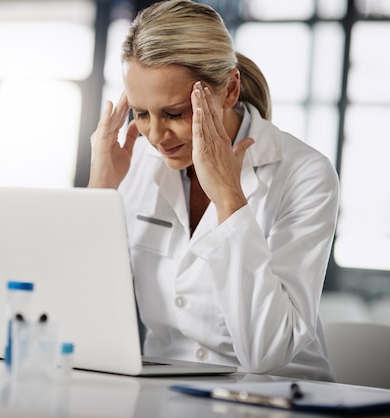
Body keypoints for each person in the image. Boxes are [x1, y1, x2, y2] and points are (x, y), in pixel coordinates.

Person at [88, 0, 339, 381]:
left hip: (280, 396)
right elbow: (81, 315)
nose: (155, 136)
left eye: (174, 113)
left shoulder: (305, 173)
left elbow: (265, 352)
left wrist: (228, 198)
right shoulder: (136, 161)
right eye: (140, 113)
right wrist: (99, 194)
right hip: (166, 392)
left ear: (230, 89)